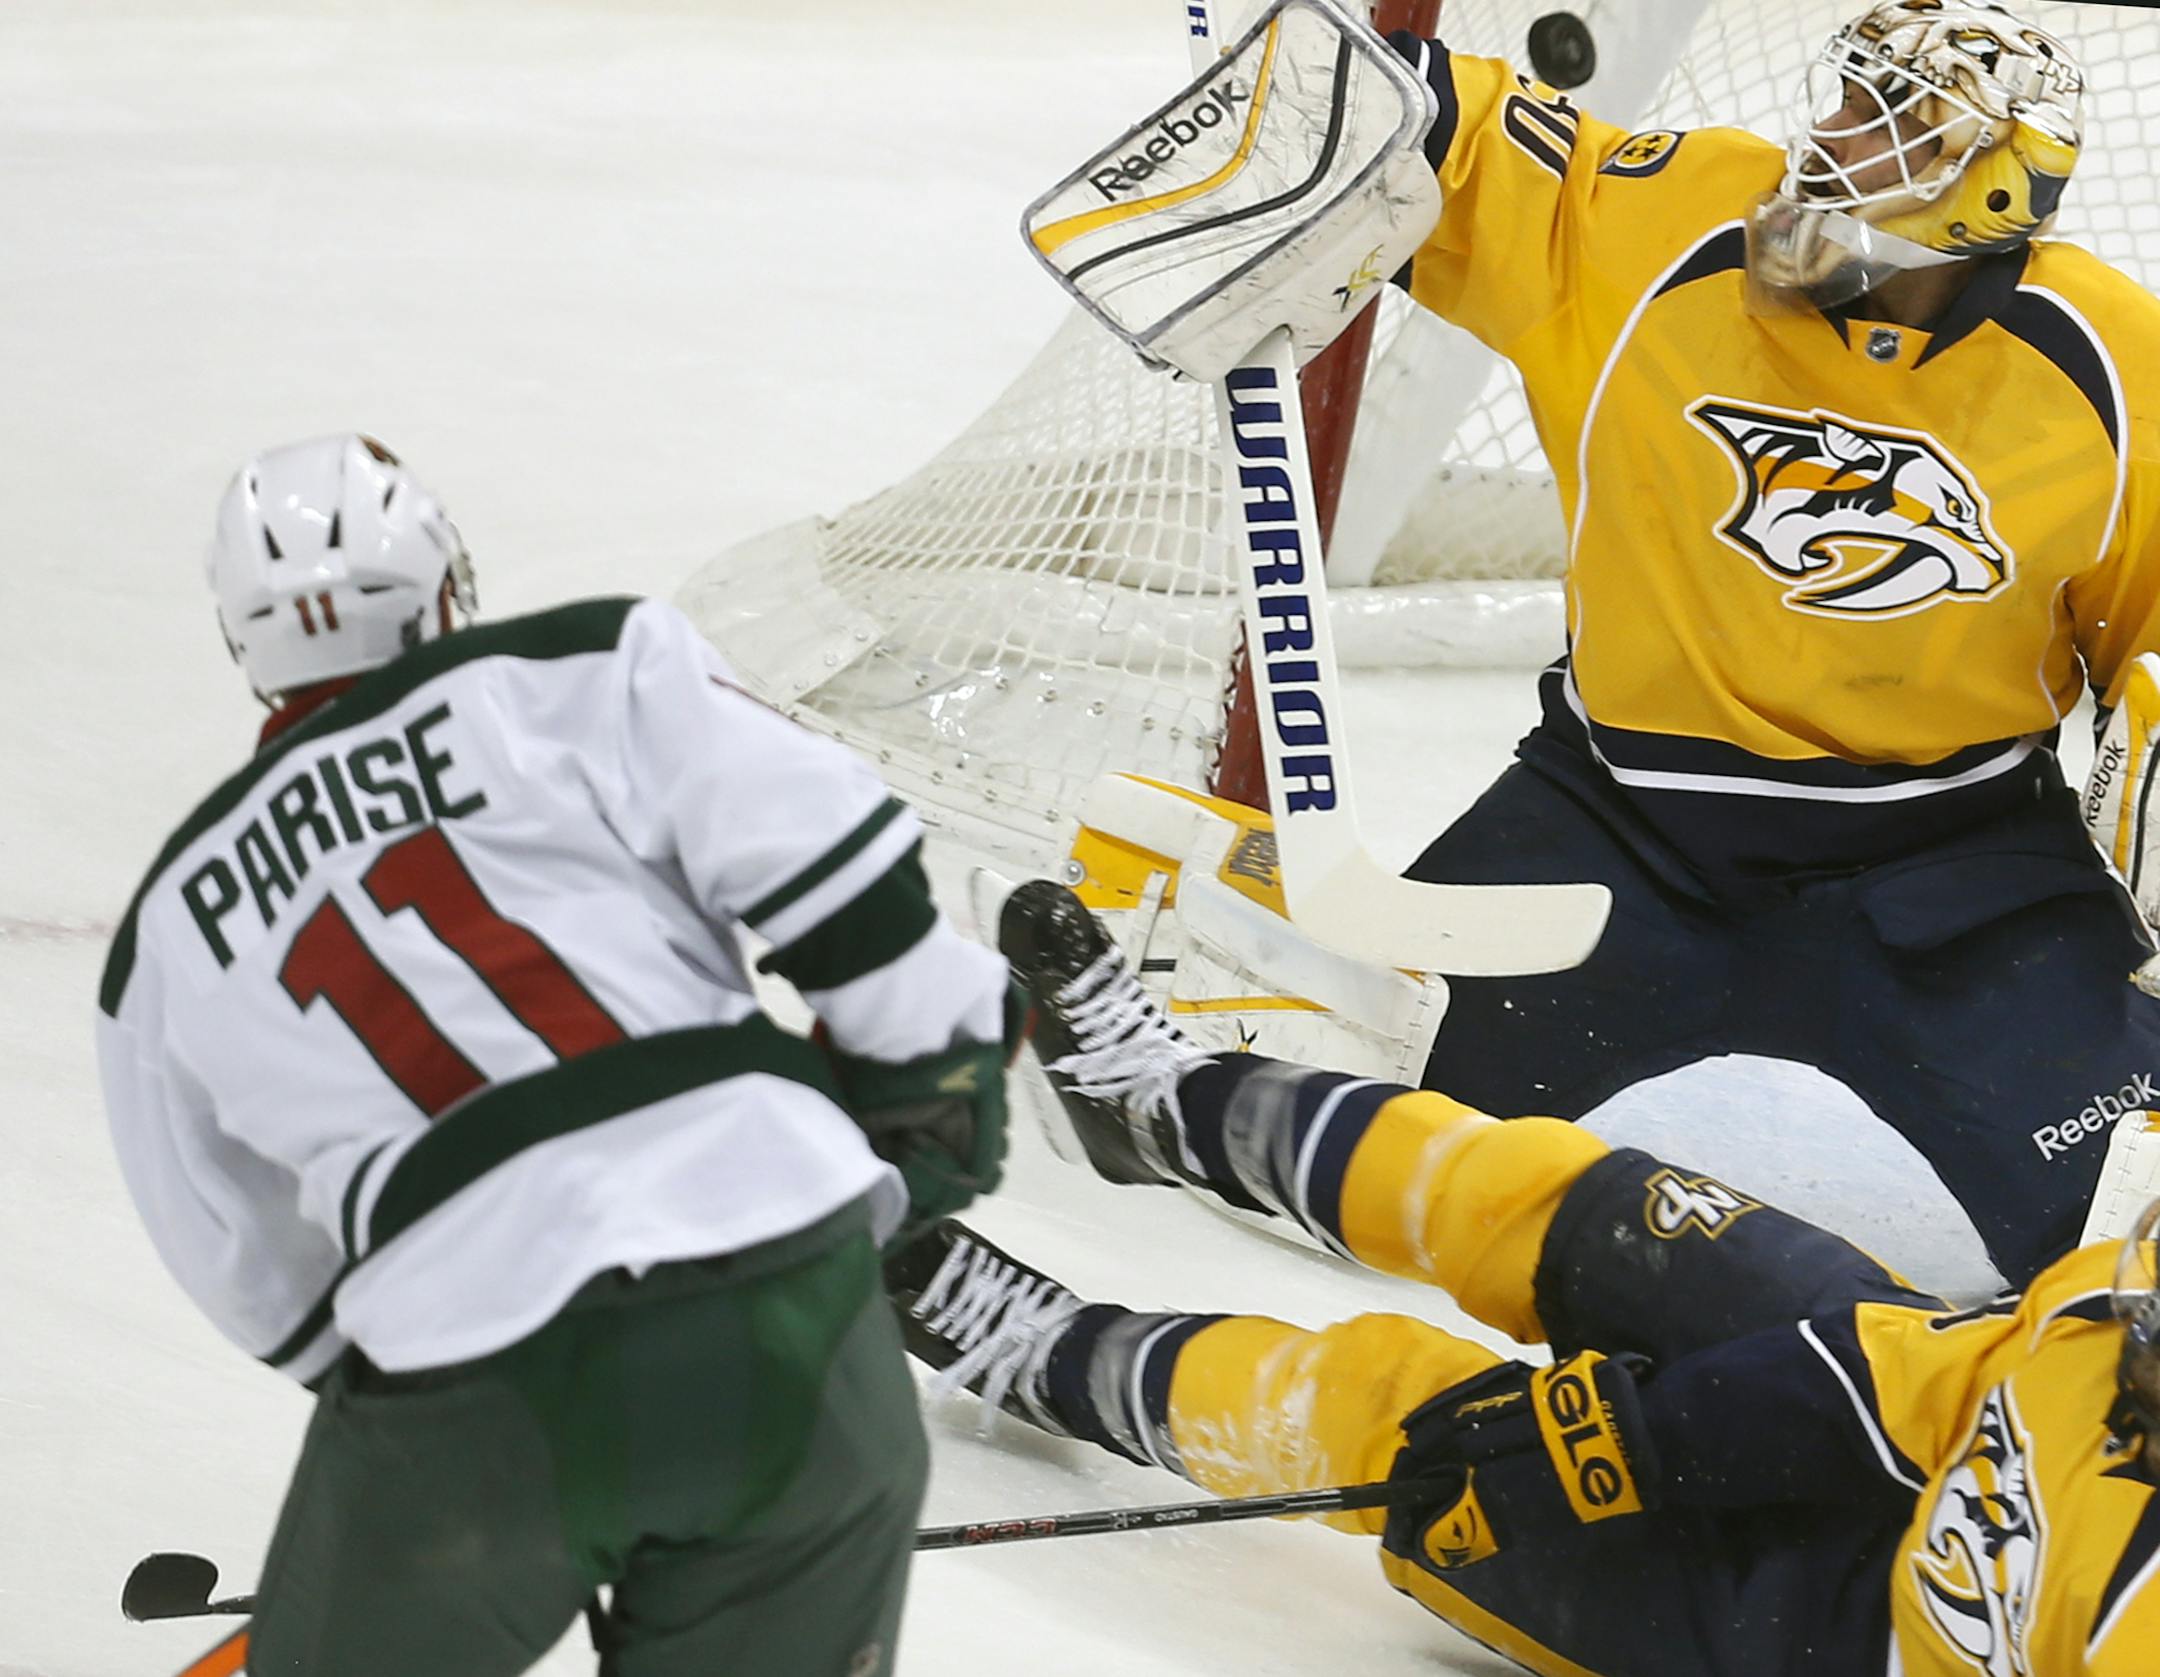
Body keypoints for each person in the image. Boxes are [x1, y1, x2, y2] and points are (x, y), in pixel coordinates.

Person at [1064, 0, 2160, 1288]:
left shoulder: (2116, 369)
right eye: (1845, 94)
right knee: (1379, 1159)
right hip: (1622, 819)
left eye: (1890, 122)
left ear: (1991, 189)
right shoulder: (1668, 222)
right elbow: (1437, 122)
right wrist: (1300, 119)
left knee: (2057, 1251)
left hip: (1952, 860)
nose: (1831, 133)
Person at [94, 434, 1017, 1676]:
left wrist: (480, 1410)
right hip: (790, 1319)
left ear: (242, 645)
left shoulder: (163, 935)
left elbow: (247, 1266)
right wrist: (928, 1086)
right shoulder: (586, 666)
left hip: (468, 1388)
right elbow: (836, 859)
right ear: (442, 588)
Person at [893, 879, 2160, 1675]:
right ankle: (1166, 1104)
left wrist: (1599, 1471)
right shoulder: (2119, 1326)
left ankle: (1058, 1365)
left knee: (1413, 1432)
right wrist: (1648, 1431)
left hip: (1775, 1640)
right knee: (1563, 1203)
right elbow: (1939, 1372)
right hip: (1910, 1409)